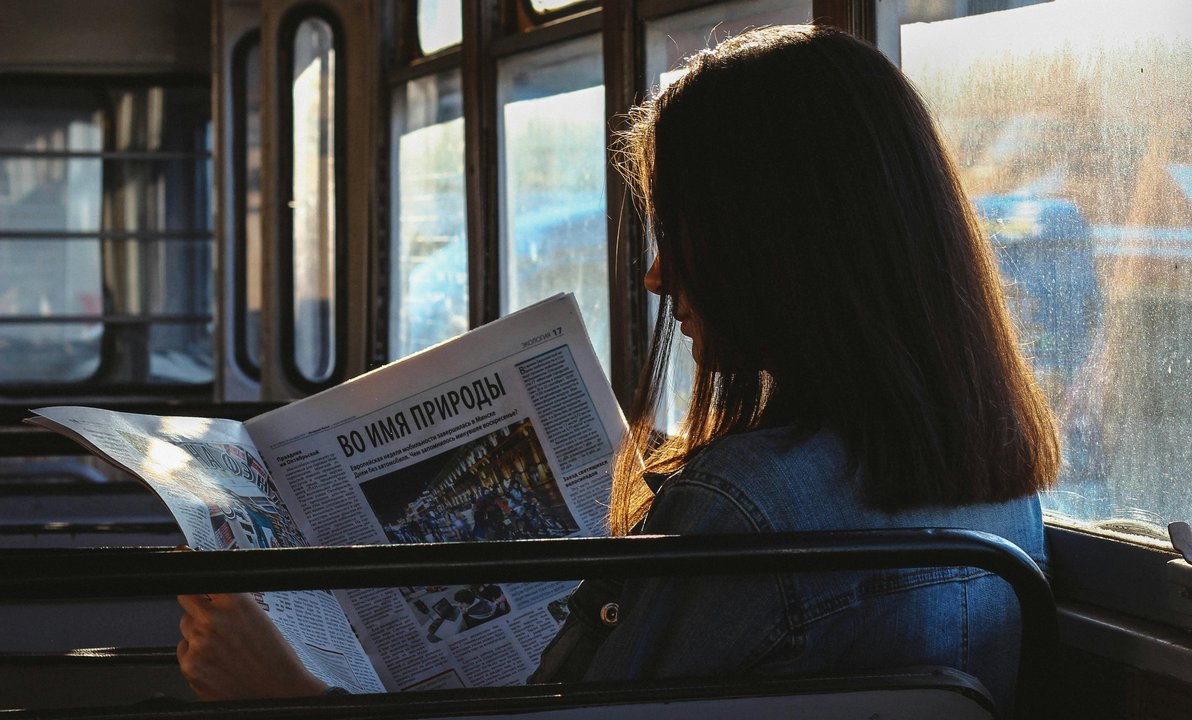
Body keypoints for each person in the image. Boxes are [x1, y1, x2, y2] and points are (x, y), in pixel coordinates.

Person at [175, 24, 1057, 713]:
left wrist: (294, 697)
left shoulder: (743, 511)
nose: (656, 274)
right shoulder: (1000, 490)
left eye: (679, 235)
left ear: (776, 250)